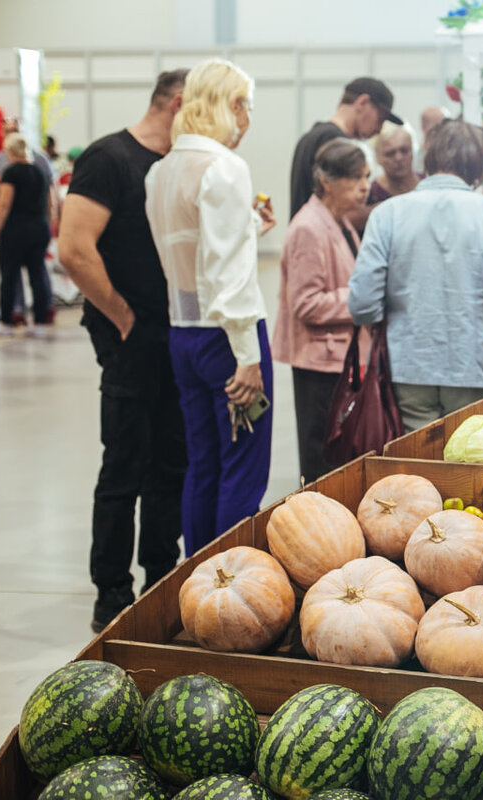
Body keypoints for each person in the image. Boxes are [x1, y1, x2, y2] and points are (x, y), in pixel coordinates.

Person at [58, 68, 189, 632]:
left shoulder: (177, 165)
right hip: (130, 339)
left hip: (177, 337)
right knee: (125, 466)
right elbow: (74, 250)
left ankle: (161, 574)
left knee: (171, 461)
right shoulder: (109, 159)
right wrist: (124, 318)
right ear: (180, 103)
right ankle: (112, 591)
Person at [145, 58, 276, 557]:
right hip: (228, 338)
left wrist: (246, 230)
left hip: (184, 332)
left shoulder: (159, 172)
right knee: (243, 467)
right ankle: (232, 582)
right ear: (231, 105)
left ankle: (198, 576)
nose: (247, 119)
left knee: (203, 464)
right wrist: (248, 356)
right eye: (246, 105)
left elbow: (197, 254)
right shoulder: (223, 167)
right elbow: (229, 273)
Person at [348, 119, 483, 433]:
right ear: (477, 166)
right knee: (471, 464)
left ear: (426, 159)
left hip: (408, 366)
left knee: (418, 466)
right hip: (477, 366)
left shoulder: (387, 213)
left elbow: (361, 303)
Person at [273, 139, 371, 482]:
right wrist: (361, 298)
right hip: (318, 362)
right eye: (355, 178)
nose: (365, 187)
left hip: (339, 357)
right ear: (327, 181)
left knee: (338, 454)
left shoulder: (340, 221)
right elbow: (306, 303)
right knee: (320, 457)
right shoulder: (308, 227)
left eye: (367, 177)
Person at [289, 77, 401, 225]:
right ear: (363, 103)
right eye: (380, 118)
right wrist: (392, 208)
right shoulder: (334, 142)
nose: (379, 129)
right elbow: (344, 214)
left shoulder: (312, 137)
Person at [0, 133, 54, 336]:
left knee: (9, 274)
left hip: (16, 229)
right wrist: (48, 225)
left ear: (10, 151)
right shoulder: (40, 171)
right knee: (37, 273)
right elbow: (50, 204)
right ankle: (40, 321)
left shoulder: (11, 173)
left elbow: (5, 203)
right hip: (39, 228)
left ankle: (7, 321)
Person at [368, 122, 419, 205]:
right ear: (378, 157)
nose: (399, 158)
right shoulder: (370, 194)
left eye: (404, 150)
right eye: (390, 153)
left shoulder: (429, 183)